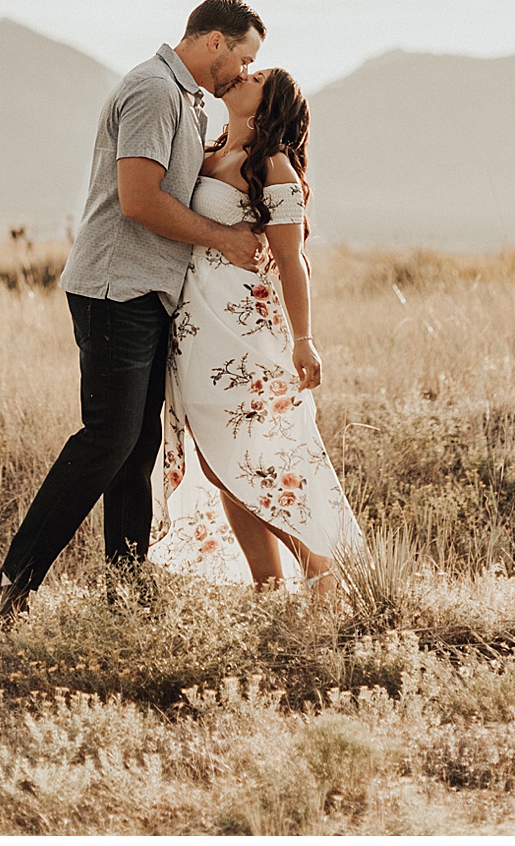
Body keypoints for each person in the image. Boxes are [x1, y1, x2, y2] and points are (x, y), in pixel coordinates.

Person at [0, 0, 268, 625]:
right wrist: (223, 239)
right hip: (117, 288)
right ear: (215, 42)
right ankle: (15, 581)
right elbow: (138, 201)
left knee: (137, 446)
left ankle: (126, 595)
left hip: (147, 291)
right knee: (107, 439)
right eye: (244, 57)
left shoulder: (188, 101)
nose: (244, 72)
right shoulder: (152, 90)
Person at [149, 66, 363, 598]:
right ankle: (268, 588)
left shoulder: (274, 167)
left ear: (269, 102)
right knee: (218, 463)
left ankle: (322, 570)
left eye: (257, 76)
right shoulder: (207, 153)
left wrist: (304, 339)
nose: (243, 75)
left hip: (246, 336)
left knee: (248, 460)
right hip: (196, 331)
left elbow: (293, 260)